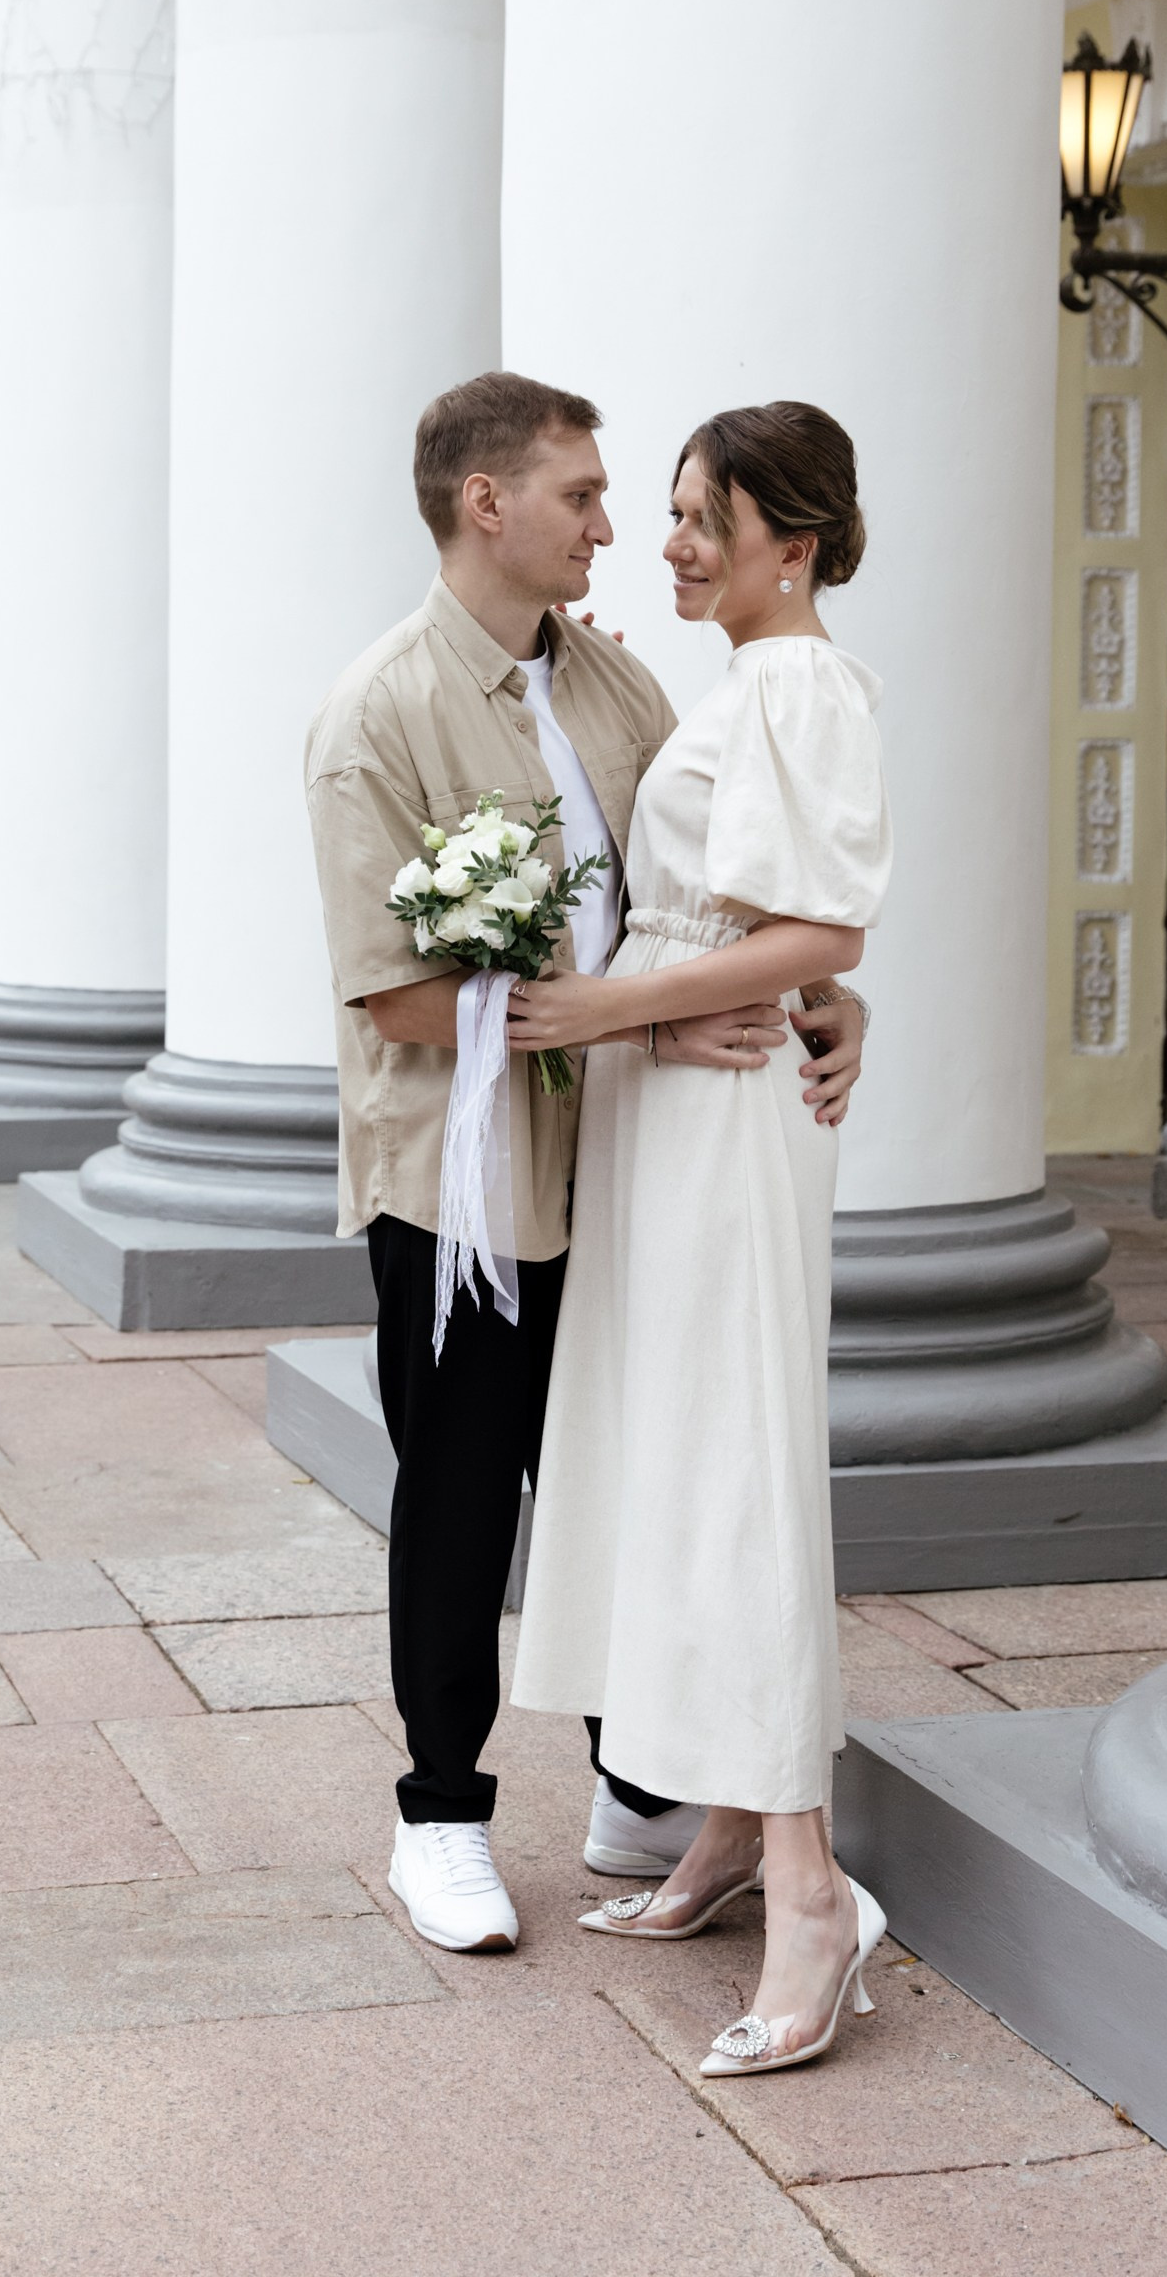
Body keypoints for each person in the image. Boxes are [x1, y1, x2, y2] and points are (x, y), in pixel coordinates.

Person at [304, 372, 868, 1954]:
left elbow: (720, 897)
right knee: (463, 1492)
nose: (614, 528)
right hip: (467, 1182)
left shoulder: (623, 694)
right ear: (489, 504)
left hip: (631, 1166)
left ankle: (643, 1775)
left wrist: (827, 990)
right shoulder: (377, 715)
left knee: (624, 1464)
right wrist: (620, 1028)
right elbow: (394, 991)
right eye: (583, 497)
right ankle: (444, 1818)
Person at [509, 401, 893, 2071]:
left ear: (789, 546)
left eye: (699, 521)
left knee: (733, 1468)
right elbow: (780, 936)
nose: (668, 543)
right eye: (661, 512)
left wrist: (615, 1002)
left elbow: (819, 918)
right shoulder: (745, 685)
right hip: (678, 1108)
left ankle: (812, 1886)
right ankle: (731, 1828)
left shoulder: (804, 682)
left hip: (727, 1119)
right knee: (681, 1456)